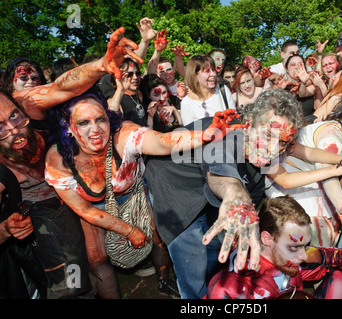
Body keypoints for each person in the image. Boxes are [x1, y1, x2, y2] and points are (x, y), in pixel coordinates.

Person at [145, 89, 342, 299]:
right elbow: (222, 174)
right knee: (192, 261)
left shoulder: (268, 140)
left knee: (218, 253)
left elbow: (302, 157)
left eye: (283, 143)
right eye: (268, 137)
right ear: (248, 123)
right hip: (174, 186)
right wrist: (237, 195)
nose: (274, 149)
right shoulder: (223, 134)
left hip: (208, 191)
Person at [44, 89, 241, 299]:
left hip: (135, 194)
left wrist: (204, 136)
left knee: (158, 238)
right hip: (93, 208)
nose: (95, 129)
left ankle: (164, 281)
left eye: (100, 119)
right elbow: (84, 209)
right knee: (96, 257)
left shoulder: (122, 134)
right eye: (83, 123)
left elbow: (163, 141)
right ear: (68, 127)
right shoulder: (58, 160)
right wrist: (128, 230)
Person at [0, 27, 141, 298]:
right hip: (47, 220)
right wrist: (5, 229)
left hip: (79, 193)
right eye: (0, 128)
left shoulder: (23, 103)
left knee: (98, 259)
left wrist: (101, 65)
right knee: (73, 278)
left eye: (15, 118)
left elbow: (60, 86)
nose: (13, 129)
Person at [205, 195, 342, 299]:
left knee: (341, 281)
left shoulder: (289, 261)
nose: (303, 255)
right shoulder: (232, 288)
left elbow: (338, 258)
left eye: (305, 245)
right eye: (294, 247)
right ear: (267, 239)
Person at [266, 89, 342, 247]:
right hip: (290, 194)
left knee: (324, 242)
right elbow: (320, 172)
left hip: (308, 188)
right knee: (316, 241)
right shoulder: (332, 133)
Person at [180, 54, 236, 125]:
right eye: (207, 71)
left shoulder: (223, 90)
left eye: (213, 70)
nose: (213, 74)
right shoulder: (187, 103)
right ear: (195, 75)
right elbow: (192, 133)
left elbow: (234, 121)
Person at [102, 58, 147, 127]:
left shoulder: (139, 94)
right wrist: (120, 89)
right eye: (129, 74)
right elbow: (110, 116)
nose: (135, 77)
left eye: (137, 73)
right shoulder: (117, 99)